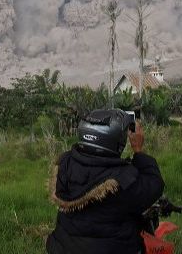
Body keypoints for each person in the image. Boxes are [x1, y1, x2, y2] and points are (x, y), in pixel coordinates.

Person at [46, 108, 165, 254]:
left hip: (62, 248)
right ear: (117, 142)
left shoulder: (65, 163)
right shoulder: (121, 180)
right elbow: (154, 185)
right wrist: (138, 150)